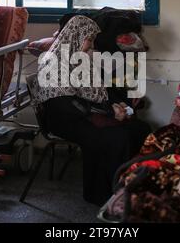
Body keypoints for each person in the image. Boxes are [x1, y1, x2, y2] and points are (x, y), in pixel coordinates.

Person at [33, 15, 151, 206]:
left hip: (83, 113)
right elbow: (64, 104)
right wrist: (108, 111)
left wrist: (122, 103)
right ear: (76, 36)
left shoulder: (82, 59)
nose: (91, 44)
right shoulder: (53, 63)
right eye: (89, 39)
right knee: (115, 138)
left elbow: (100, 89)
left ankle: (129, 186)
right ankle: (101, 194)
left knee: (140, 129)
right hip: (64, 119)